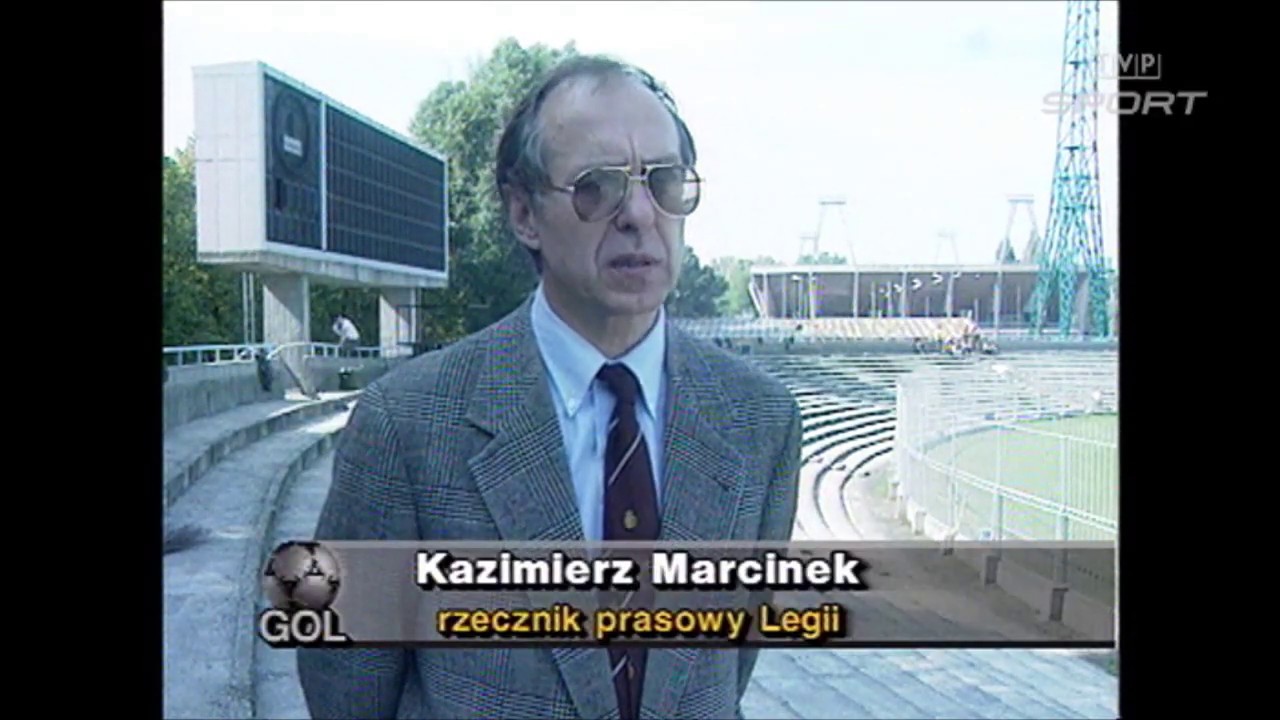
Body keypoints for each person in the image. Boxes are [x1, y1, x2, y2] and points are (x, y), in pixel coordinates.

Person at [297, 54, 801, 719]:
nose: (639, 214)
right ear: (524, 214)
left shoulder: (761, 421)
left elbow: (726, 667)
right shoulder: (408, 422)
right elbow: (348, 687)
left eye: (664, 181)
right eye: (598, 187)